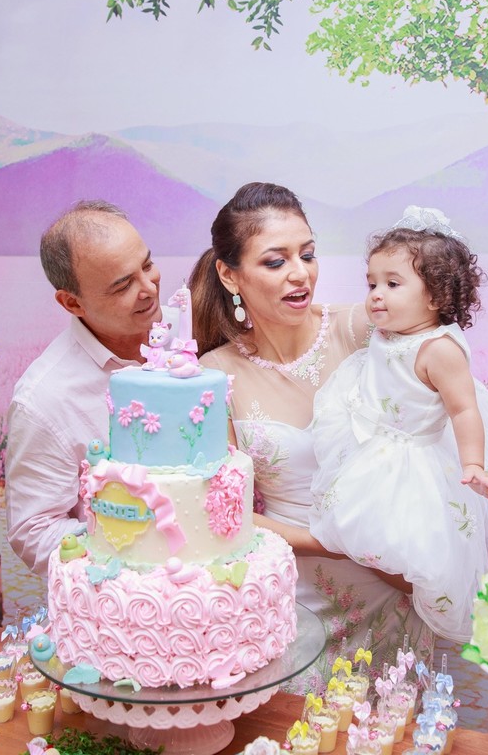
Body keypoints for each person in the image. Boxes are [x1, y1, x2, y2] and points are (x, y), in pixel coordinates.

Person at [190, 183, 435, 692]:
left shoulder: (367, 330)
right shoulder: (214, 376)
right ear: (229, 274)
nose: (300, 273)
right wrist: (336, 544)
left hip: (391, 589)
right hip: (294, 601)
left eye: (307, 254)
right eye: (275, 261)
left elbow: (439, 430)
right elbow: (221, 513)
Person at [308, 207, 488, 643]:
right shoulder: (390, 332)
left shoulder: (439, 350)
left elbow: (464, 410)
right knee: (357, 523)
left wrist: (474, 464)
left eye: (392, 284)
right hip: (376, 442)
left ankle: (413, 601)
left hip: (415, 455)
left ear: (435, 297)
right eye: (372, 284)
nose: (376, 295)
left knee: (416, 538)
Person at [6, 200, 173, 577]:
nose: (149, 288)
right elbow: (33, 532)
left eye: (147, 265)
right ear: (72, 302)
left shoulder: (187, 332)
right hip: (121, 601)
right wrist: (137, 542)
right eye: (123, 285)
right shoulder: (44, 399)